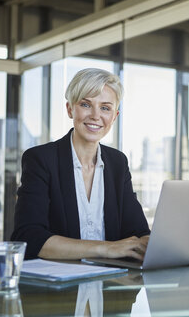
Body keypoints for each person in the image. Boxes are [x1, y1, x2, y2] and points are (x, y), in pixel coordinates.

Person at [11, 68, 150, 260]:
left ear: (115, 116)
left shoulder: (118, 163)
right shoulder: (41, 159)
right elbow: (29, 237)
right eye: (86, 104)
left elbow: (138, 231)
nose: (95, 115)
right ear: (70, 109)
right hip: (59, 285)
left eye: (105, 108)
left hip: (110, 284)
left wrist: (154, 244)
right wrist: (105, 248)